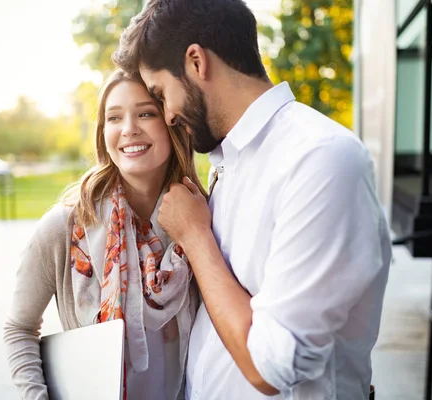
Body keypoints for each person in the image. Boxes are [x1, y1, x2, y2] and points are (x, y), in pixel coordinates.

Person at [112, 1, 392, 399]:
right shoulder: (230, 160)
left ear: (196, 62)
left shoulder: (320, 158)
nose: (168, 115)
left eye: (161, 93)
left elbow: (271, 369)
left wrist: (195, 237)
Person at [3, 68, 204, 400]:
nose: (129, 129)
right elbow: (19, 329)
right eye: (114, 118)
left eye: (145, 113)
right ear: (102, 132)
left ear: (172, 123)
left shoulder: (200, 219)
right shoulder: (64, 227)